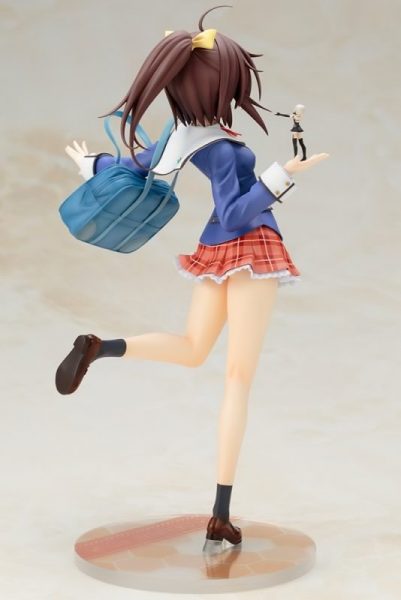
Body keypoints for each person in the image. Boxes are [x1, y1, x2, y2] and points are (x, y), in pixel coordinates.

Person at [55, 6, 329, 552]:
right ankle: (220, 515)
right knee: (237, 379)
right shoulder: (221, 147)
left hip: (213, 251)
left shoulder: (182, 131)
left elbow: (140, 169)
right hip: (250, 249)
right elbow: (235, 212)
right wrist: (283, 176)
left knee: (191, 348)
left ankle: (100, 347)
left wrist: (95, 166)